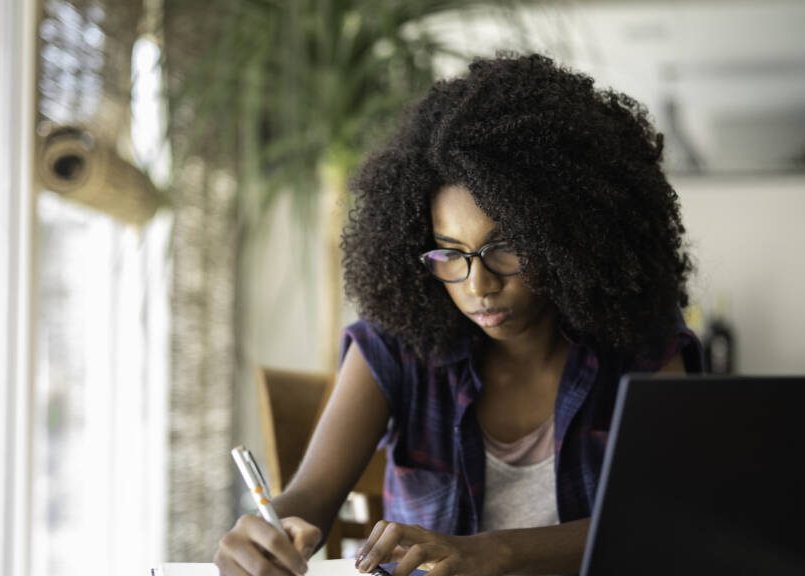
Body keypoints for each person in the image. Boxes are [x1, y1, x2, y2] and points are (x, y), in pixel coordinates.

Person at [214, 54, 703, 576]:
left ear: (568, 239)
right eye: (450, 253)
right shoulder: (397, 345)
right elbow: (310, 498)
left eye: (506, 248)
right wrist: (266, 536)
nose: (478, 284)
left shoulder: (641, 346)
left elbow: (665, 521)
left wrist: (493, 552)